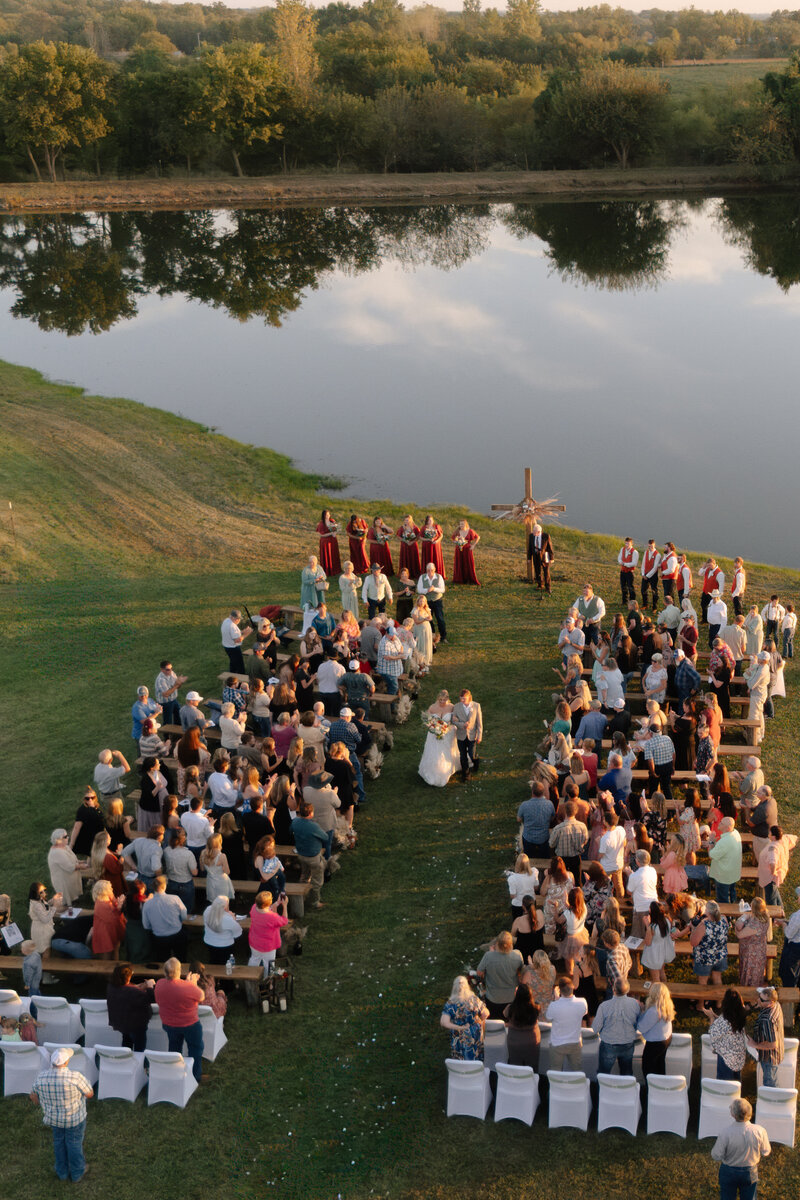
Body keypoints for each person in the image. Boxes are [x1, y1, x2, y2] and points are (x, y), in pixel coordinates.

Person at [30, 1046, 93, 1183]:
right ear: (66, 1062)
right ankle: (77, 1173)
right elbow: (89, 1093)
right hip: (74, 1119)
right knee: (74, 1143)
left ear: (53, 1062)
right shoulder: (75, 1077)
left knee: (58, 1143)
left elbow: (33, 1095)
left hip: (53, 1119)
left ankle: (62, 1172)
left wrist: (41, 1103)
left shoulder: (42, 1076)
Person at [153, 958, 207, 1084]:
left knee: (174, 1047)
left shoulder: (160, 984)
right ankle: (195, 1076)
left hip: (169, 1024)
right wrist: (192, 983)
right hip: (190, 1024)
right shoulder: (187, 987)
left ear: (165, 972)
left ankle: (174, 1072)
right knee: (195, 1048)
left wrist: (187, 983)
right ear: (179, 971)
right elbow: (201, 996)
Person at [711, 1097, 771, 1200]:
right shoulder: (760, 1131)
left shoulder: (725, 1133)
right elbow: (766, 1151)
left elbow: (716, 1155)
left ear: (733, 1114)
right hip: (750, 1172)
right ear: (750, 1113)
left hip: (728, 1171)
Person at [593, 977, 641, 1075]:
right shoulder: (635, 1004)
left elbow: (595, 1028)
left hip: (608, 1044)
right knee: (626, 1073)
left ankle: (602, 1091)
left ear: (613, 989)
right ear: (628, 989)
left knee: (603, 1075)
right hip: (628, 1043)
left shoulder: (604, 1006)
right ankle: (626, 1090)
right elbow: (638, 1023)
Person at [106, 964, 156, 1052]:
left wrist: (137, 987)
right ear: (127, 978)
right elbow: (151, 998)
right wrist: (149, 986)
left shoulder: (112, 987)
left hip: (122, 1023)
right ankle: (140, 1063)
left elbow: (127, 988)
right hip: (136, 1025)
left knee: (126, 1042)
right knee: (139, 1047)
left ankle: (125, 1060)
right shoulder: (132, 992)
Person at [701, 988, 748, 1081]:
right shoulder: (740, 1015)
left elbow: (713, 1034)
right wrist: (715, 1016)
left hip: (726, 1059)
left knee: (725, 1087)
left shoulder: (723, 1021)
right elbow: (728, 1025)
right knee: (736, 1085)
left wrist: (711, 1017)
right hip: (738, 1057)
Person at [440, 976, 489, 1061]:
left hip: (458, 1035)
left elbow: (444, 1022)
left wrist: (460, 1028)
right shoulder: (474, 1000)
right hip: (475, 1033)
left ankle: (461, 1072)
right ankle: (475, 1072)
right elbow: (486, 1013)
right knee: (476, 1056)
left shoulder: (450, 1003)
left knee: (460, 1057)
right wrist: (479, 1021)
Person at [476, 931, 523, 1019]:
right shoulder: (517, 955)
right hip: (512, 997)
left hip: (493, 998)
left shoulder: (488, 956)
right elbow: (521, 971)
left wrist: (491, 953)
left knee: (494, 1023)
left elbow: (479, 972)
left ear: (497, 943)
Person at [141, 874, 187, 961]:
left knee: (162, 959)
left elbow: (146, 925)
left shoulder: (147, 904)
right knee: (181, 957)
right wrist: (180, 920)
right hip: (177, 934)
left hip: (159, 938)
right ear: (164, 886)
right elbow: (184, 915)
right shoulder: (175, 899)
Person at [545, 977, 588, 1070]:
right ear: (572, 987)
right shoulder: (582, 1002)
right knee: (577, 1071)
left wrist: (557, 999)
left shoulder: (554, 1005)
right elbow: (583, 1012)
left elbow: (549, 1017)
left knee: (555, 1071)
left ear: (559, 990)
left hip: (557, 1044)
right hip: (575, 1043)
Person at [690, 899, 730, 998]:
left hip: (705, 958)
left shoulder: (704, 925)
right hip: (720, 955)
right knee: (717, 978)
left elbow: (693, 943)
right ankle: (719, 1002)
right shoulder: (724, 919)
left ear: (707, 912)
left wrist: (693, 929)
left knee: (703, 981)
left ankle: (701, 1004)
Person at [292, 802, 328, 909]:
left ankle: (301, 897)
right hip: (313, 856)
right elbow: (325, 837)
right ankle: (315, 902)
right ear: (311, 813)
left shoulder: (295, 822)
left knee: (304, 875)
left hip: (301, 854)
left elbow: (291, 831)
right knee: (317, 880)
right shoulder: (314, 826)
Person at [637, 982, 675, 1079]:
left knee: (647, 1068)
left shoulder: (654, 1011)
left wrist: (641, 1012)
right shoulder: (667, 1005)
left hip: (656, 1043)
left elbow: (641, 1027)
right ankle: (661, 1085)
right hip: (666, 1038)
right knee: (660, 1063)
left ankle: (651, 1088)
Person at [748, 985, 784, 1088]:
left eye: (761, 1000)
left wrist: (754, 1045)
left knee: (770, 1085)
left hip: (769, 1057)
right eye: (759, 997)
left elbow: (773, 1044)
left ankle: (774, 1102)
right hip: (777, 1053)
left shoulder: (767, 1020)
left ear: (770, 1002)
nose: (758, 1000)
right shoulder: (776, 1005)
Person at [248, 892, 289, 975]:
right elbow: (284, 920)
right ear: (269, 903)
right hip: (268, 946)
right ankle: (268, 981)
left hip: (254, 942)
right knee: (269, 964)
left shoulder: (253, 908)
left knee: (254, 959)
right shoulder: (272, 917)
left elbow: (266, 909)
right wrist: (284, 906)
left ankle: (250, 976)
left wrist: (277, 903)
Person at [735, 897, 772, 988]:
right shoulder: (765, 914)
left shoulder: (755, 925)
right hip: (760, 948)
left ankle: (749, 993)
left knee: (750, 973)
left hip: (751, 952)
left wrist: (737, 927)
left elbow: (739, 935)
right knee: (757, 971)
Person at [758, 825, 797, 908]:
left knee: (770, 900)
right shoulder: (783, 840)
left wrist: (773, 872)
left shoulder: (773, 848)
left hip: (770, 878)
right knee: (775, 893)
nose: (768, 833)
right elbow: (794, 838)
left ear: (773, 836)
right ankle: (781, 913)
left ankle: (774, 918)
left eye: (770, 833)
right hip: (777, 875)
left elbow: (773, 862)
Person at [503, 983, 541, 1069]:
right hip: (532, 1041)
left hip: (514, 1042)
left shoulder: (511, 1008)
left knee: (516, 1067)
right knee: (531, 1067)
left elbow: (504, 1014)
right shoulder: (536, 1008)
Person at [517, 781, 555, 859]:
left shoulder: (524, 805)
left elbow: (519, 819)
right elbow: (552, 818)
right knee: (545, 857)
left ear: (532, 791)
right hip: (544, 838)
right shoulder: (549, 804)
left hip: (528, 838)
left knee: (528, 857)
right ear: (543, 792)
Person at [641, 901, 677, 982]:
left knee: (655, 978)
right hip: (663, 952)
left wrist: (647, 925)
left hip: (654, 955)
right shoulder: (666, 921)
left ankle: (657, 993)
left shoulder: (652, 927)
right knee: (662, 972)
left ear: (651, 911)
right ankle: (665, 990)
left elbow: (648, 942)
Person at [451, 689, 482, 783]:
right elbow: (453, 721)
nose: (462, 700)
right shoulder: (456, 707)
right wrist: (462, 725)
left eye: (464, 699)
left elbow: (479, 722)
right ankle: (466, 774)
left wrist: (479, 735)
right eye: (461, 698)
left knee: (471, 754)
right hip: (461, 735)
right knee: (463, 755)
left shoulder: (476, 706)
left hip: (472, 735)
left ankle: (476, 761)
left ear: (469, 697)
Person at [47, 829, 85, 907]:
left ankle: (49, 903)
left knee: (68, 893)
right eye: (65, 837)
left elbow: (73, 859)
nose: (68, 837)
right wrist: (84, 866)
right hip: (62, 879)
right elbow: (70, 867)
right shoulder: (57, 852)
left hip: (68, 876)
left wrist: (80, 862)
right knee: (65, 896)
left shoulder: (65, 847)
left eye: (67, 835)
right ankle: (51, 906)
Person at [709, 817, 743, 904]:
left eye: (721, 823)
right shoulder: (735, 833)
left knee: (722, 899)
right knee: (732, 891)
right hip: (732, 872)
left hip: (723, 876)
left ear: (727, 828)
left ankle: (726, 915)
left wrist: (711, 841)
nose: (719, 823)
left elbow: (711, 855)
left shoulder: (724, 842)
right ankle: (733, 907)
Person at [202, 895, 243, 964]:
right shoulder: (227, 919)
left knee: (213, 958)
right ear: (225, 907)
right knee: (225, 961)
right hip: (225, 945)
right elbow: (238, 933)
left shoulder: (207, 910)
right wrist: (233, 918)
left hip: (209, 941)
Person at [91, 879, 126, 960]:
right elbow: (112, 919)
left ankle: (115, 967)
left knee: (115, 949)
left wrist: (118, 902)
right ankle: (106, 971)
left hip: (111, 930)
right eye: (110, 888)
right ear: (104, 891)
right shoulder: (101, 904)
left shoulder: (108, 898)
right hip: (104, 933)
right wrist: (119, 907)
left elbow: (115, 906)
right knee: (107, 953)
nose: (112, 889)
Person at [68, 789, 106, 858]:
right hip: (90, 838)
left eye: (92, 798)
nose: (90, 800)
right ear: (84, 799)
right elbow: (76, 827)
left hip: (98, 836)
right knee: (94, 856)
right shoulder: (82, 810)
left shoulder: (95, 807)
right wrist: (71, 844)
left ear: (95, 797)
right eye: (87, 798)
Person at [417, 562, 447, 643]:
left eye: (432, 570)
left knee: (440, 618)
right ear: (426, 570)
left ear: (435, 570)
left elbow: (442, 589)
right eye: (428, 570)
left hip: (437, 600)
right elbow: (419, 590)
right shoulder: (422, 577)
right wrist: (427, 590)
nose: (430, 572)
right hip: (426, 602)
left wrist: (434, 589)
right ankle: (431, 635)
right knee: (428, 619)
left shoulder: (439, 577)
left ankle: (443, 636)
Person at [644, 723, 675, 799]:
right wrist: (673, 766)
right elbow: (673, 754)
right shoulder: (668, 738)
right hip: (668, 766)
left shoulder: (648, 743)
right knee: (666, 788)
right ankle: (671, 810)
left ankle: (652, 808)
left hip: (657, 768)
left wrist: (653, 772)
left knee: (653, 789)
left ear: (651, 733)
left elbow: (650, 760)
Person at [220, 609, 252, 674]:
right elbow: (237, 640)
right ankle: (241, 679)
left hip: (227, 646)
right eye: (238, 619)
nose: (239, 620)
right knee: (240, 665)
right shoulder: (232, 626)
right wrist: (247, 633)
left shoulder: (226, 620)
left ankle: (232, 673)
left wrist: (243, 631)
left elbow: (232, 633)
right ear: (233, 618)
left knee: (233, 661)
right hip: (233, 648)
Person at [451, 519, 480, 585]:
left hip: (467, 550)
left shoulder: (470, 531)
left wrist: (473, 545)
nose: (461, 525)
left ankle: (468, 578)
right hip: (459, 550)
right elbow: (453, 538)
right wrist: (457, 542)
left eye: (462, 524)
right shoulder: (457, 531)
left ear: (466, 524)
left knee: (468, 563)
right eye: (460, 524)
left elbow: (478, 537)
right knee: (459, 563)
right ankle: (459, 579)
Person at [528, 523, 554, 594]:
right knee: (537, 571)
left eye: (534, 531)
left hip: (544, 556)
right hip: (536, 556)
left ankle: (548, 587)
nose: (533, 532)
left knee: (546, 572)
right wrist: (529, 558)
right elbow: (530, 548)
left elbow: (550, 547)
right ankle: (540, 584)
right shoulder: (531, 536)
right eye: (533, 531)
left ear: (539, 532)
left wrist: (551, 558)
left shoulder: (546, 536)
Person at [316, 508, 341, 574]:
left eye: (328, 514)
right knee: (327, 555)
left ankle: (335, 568)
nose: (328, 516)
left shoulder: (332, 521)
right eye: (326, 515)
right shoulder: (321, 524)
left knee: (333, 554)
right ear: (323, 516)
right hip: (325, 542)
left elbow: (335, 530)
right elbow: (322, 534)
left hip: (333, 541)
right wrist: (330, 533)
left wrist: (335, 531)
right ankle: (327, 570)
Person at [640, 540, 661, 610]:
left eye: (651, 546)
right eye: (649, 546)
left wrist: (648, 576)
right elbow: (643, 563)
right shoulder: (646, 552)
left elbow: (655, 567)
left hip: (653, 575)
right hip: (645, 574)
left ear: (654, 545)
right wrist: (643, 574)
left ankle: (654, 607)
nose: (650, 547)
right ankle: (645, 604)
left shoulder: (657, 554)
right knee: (643, 590)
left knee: (654, 591)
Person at [617, 537, 639, 604]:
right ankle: (624, 601)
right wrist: (620, 562)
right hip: (623, 571)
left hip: (629, 572)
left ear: (631, 544)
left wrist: (625, 564)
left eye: (628, 544)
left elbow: (634, 563)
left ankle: (632, 601)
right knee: (623, 586)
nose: (626, 545)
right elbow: (619, 558)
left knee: (630, 587)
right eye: (626, 543)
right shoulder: (622, 549)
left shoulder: (635, 552)